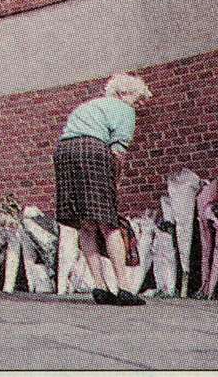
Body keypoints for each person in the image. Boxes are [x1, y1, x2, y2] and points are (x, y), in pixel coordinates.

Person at [55, 73, 153, 306]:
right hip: (92, 152)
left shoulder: (89, 106)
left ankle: (99, 285)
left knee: (85, 223)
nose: (138, 106)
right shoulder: (124, 110)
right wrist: (115, 182)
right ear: (122, 93)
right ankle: (124, 288)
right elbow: (118, 153)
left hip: (64, 152)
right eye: (138, 99)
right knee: (108, 222)